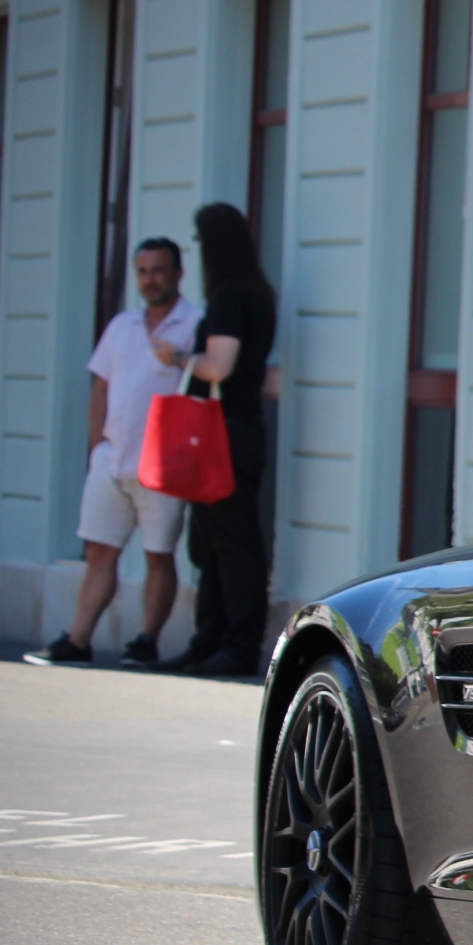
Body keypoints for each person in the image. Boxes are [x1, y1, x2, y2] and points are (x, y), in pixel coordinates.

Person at [24, 238, 202, 667]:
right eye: (142, 271)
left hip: (163, 465)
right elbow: (100, 386)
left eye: (159, 270)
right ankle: (79, 638)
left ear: (178, 273)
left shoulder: (195, 323)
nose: (150, 279)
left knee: (158, 554)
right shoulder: (121, 325)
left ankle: (145, 641)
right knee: (99, 551)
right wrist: (96, 446)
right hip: (112, 458)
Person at [151, 203, 276, 677]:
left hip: (223, 433)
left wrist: (178, 355)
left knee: (230, 542)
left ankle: (232, 645)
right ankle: (209, 643)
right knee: (213, 540)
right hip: (236, 429)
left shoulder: (229, 298)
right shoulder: (255, 294)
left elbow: (218, 366)